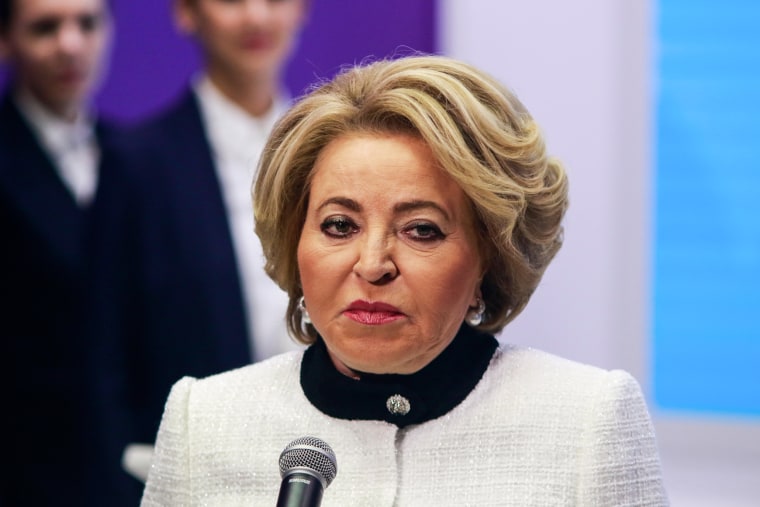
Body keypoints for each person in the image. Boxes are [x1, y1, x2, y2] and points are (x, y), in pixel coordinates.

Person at [139, 55, 669, 505]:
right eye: (339, 225)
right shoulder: (204, 421)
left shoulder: (586, 420)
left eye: (421, 230)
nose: (373, 264)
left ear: (490, 257)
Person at [87, 0, 309, 500]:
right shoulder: (137, 162)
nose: (256, 17)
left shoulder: (336, 156)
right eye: (231, 0)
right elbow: (104, 350)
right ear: (186, 12)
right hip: (195, 466)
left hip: (323, 451)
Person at [0, 0, 117, 504]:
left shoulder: (126, 152)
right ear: (6, 39)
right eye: (45, 28)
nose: (70, 44)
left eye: (87, 24)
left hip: (117, 458)